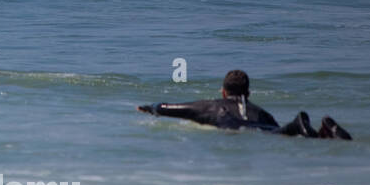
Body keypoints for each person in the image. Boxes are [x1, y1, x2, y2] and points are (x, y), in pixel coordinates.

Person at [137, 69, 351, 139]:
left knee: (279, 135)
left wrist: (150, 107)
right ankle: (323, 132)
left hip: (240, 129)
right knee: (280, 134)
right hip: (268, 128)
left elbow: (171, 109)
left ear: (223, 91)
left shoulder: (209, 106)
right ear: (248, 93)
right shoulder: (262, 112)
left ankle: (298, 126)